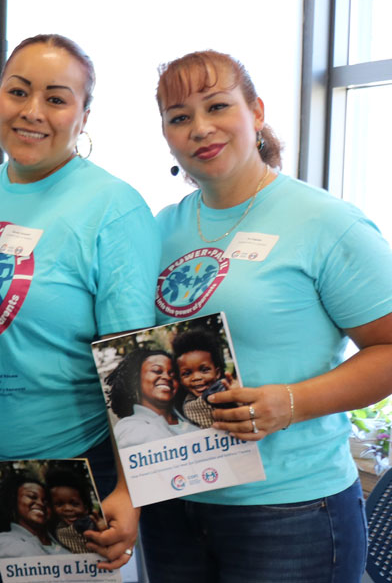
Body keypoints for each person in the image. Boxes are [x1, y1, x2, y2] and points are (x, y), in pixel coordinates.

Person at [142, 49, 392, 581]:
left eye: (217, 106)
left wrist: (291, 402)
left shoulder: (326, 222)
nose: (201, 128)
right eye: (179, 117)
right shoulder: (160, 228)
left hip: (291, 510)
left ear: (256, 112)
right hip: (175, 502)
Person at [0, 34, 156, 580]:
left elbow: (130, 363)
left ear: (84, 116)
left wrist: (130, 491)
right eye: (18, 91)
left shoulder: (111, 206)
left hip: (76, 467)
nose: (32, 112)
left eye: (57, 98)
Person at [106, 348, 196, 448]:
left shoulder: (190, 412)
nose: (167, 377)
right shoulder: (130, 427)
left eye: (173, 374)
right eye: (157, 371)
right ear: (135, 380)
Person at [0, 472, 68, 558]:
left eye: (45, 501)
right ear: (12, 502)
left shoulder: (59, 535)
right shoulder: (7, 542)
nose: (41, 503)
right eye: (32, 496)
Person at [171, 328, 231, 429]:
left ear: (217, 373)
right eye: (187, 373)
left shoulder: (227, 390)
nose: (196, 377)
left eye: (204, 370)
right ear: (180, 379)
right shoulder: (187, 406)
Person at [44, 467, 98, 555]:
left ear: (86, 508)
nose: (67, 508)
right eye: (59, 504)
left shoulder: (87, 523)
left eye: (74, 504)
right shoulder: (55, 528)